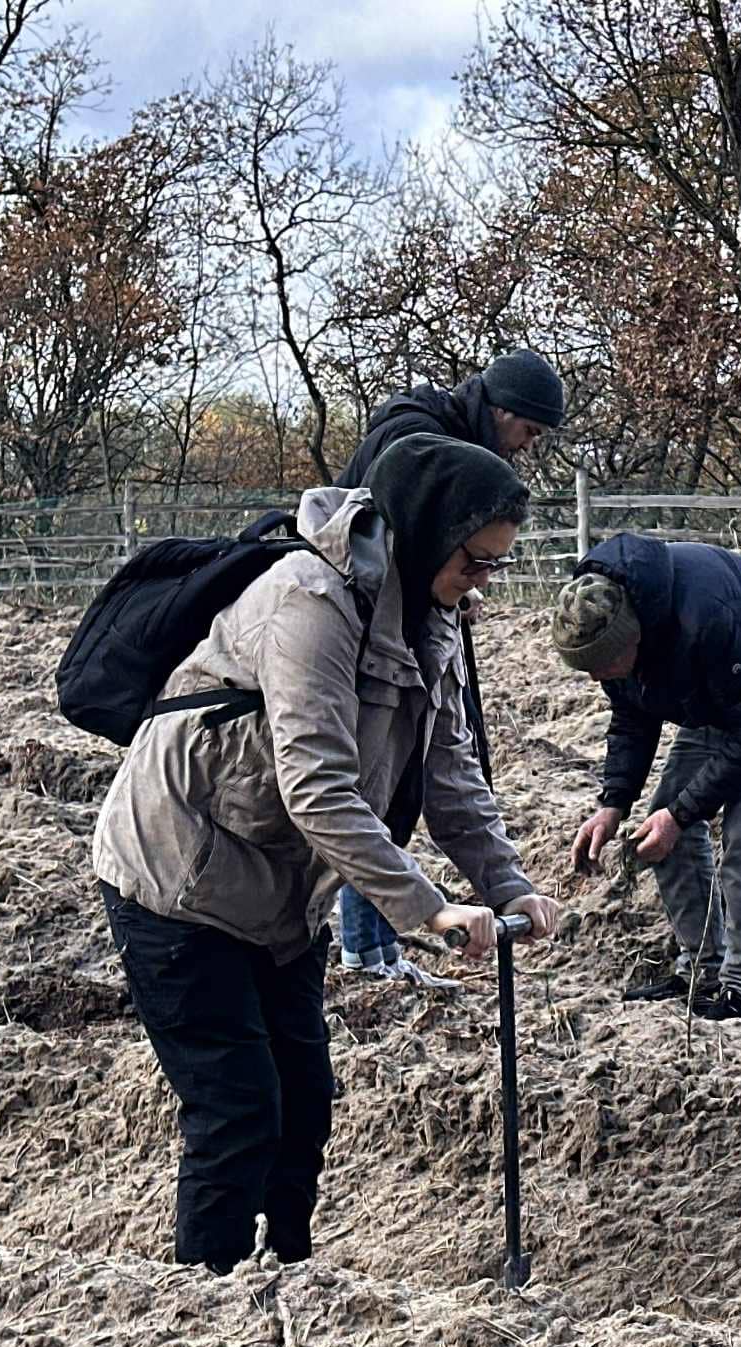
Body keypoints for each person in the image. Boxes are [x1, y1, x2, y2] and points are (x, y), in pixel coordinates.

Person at [92, 434, 563, 1275]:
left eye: (496, 564)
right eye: (475, 561)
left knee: (304, 1105)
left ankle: (292, 1281)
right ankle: (206, 1303)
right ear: (426, 531)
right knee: (238, 1110)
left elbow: (451, 775)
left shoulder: (434, 619)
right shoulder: (309, 602)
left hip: (279, 890)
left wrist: (507, 884)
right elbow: (317, 788)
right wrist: (427, 909)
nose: (484, 581)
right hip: (177, 874)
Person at [330, 348, 566, 985]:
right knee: (374, 781)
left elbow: (451, 775)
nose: (527, 446)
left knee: (407, 770)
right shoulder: (418, 439)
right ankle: (364, 951)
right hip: (367, 634)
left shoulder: (450, 438)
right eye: (528, 430)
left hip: (404, 621)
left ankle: (376, 948)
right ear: (502, 410)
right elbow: (384, 536)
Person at [554, 533, 741, 1023]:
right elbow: (633, 716)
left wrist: (683, 813)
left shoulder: (707, 617)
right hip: (715, 695)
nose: (597, 679)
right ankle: (702, 971)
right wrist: (612, 804)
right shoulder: (609, 632)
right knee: (660, 826)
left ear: (634, 636)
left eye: (603, 666)